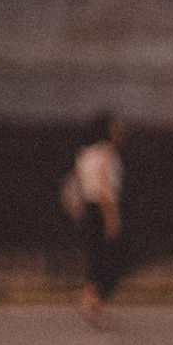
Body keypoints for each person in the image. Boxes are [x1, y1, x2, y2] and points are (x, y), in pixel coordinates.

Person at [60, 116, 127, 323]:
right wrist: (112, 216)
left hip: (88, 208)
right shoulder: (107, 153)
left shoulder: (84, 154)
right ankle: (92, 300)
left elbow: (76, 184)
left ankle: (92, 303)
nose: (121, 130)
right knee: (111, 257)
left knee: (95, 255)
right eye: (116, 127)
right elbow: (105, 186)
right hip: (102, 208)